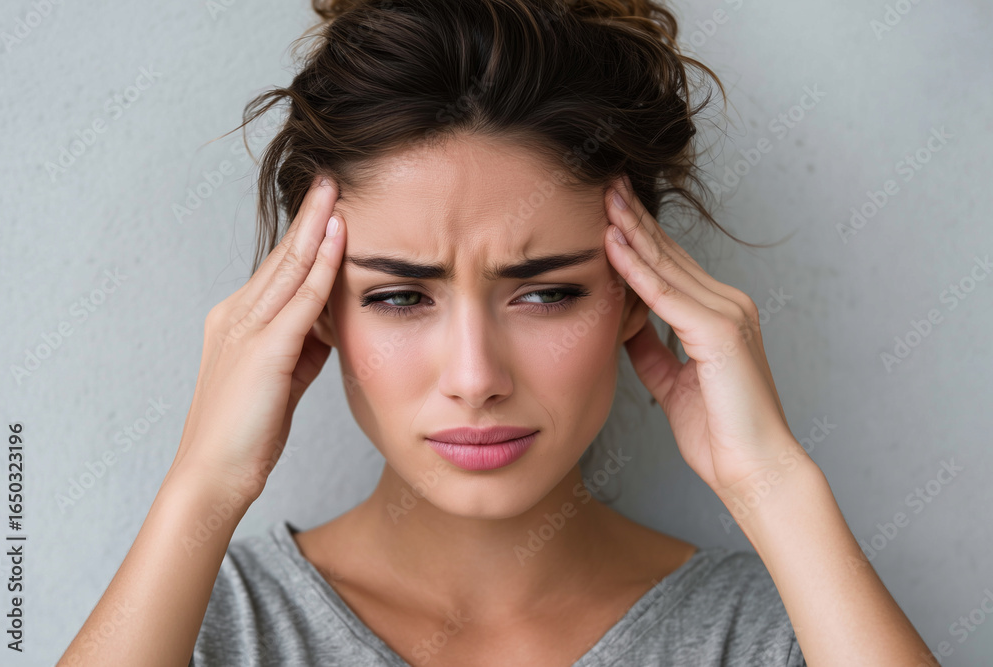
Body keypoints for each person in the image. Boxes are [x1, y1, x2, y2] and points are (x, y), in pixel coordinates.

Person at [59, 1, 936, 665]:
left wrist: (777, 485)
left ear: (637, 295)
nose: (474, 376)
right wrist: (203, 485)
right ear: (315, 306)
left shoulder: (775, 633)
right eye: (401, 296)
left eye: (547, 293)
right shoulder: (210, 628)